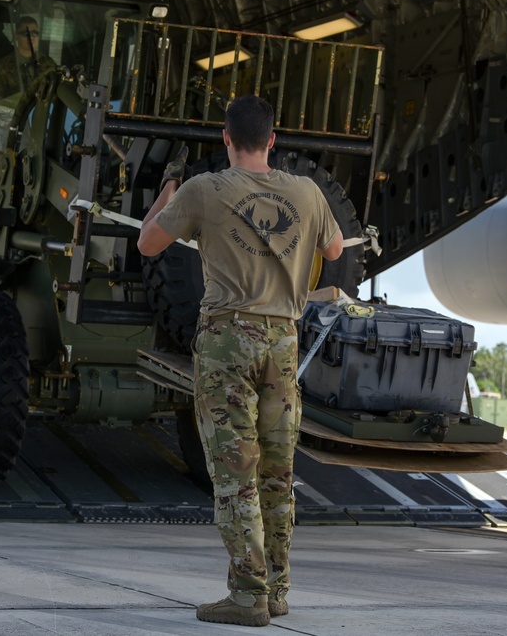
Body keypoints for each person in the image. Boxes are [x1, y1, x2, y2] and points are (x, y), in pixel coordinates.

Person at [138, 95, 343, 628]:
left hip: (228, 341)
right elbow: (337, 249)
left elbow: (148, 242)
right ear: (273, 140)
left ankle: (248, 595)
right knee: (278, 474)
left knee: (235, 474)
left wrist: (167, 190)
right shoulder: (307, 191)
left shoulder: (204, 190)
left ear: (225, 139)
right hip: (283, 342)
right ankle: (276, 591)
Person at [0, 16, 57, 104]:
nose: (31, 38)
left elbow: (57, 91)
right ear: (16, 36)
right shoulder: (4, 65)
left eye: (34, 33)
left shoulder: (48, 63)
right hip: (14, 114)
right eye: (26, 34)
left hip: (41, 115)